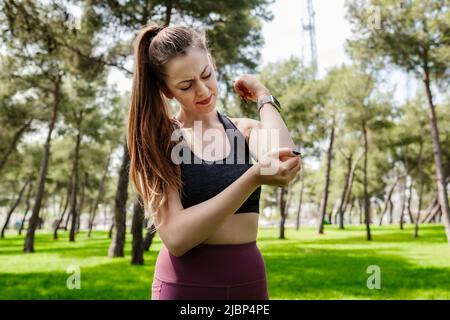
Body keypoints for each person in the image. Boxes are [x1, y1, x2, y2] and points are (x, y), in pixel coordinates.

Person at [127, 23, 302, 300]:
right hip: (186, 286)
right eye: (186, 85)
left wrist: (262, 95)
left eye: (206, 74)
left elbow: (285, 161)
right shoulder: (162, 140)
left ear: (213, 63)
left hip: (249, 283)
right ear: (167, 91)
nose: (202, 90)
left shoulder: (243, 131)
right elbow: (176, 237)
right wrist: (253, 176)